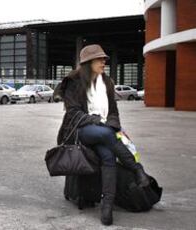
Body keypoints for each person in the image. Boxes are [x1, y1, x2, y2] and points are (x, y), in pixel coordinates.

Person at [56, 44, 149, 226]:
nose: (103, 62)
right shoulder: (74, 81)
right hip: (80, 129)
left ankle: (106, 206)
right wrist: (95, 121)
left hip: (104, 131)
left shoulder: (106, 82)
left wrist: (112, 125)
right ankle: (137, 169)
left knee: (108, 154)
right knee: (107, 135)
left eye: (104, 59)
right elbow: (73, 113)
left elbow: (113, 112)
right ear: (88, 62)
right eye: (99, 59)